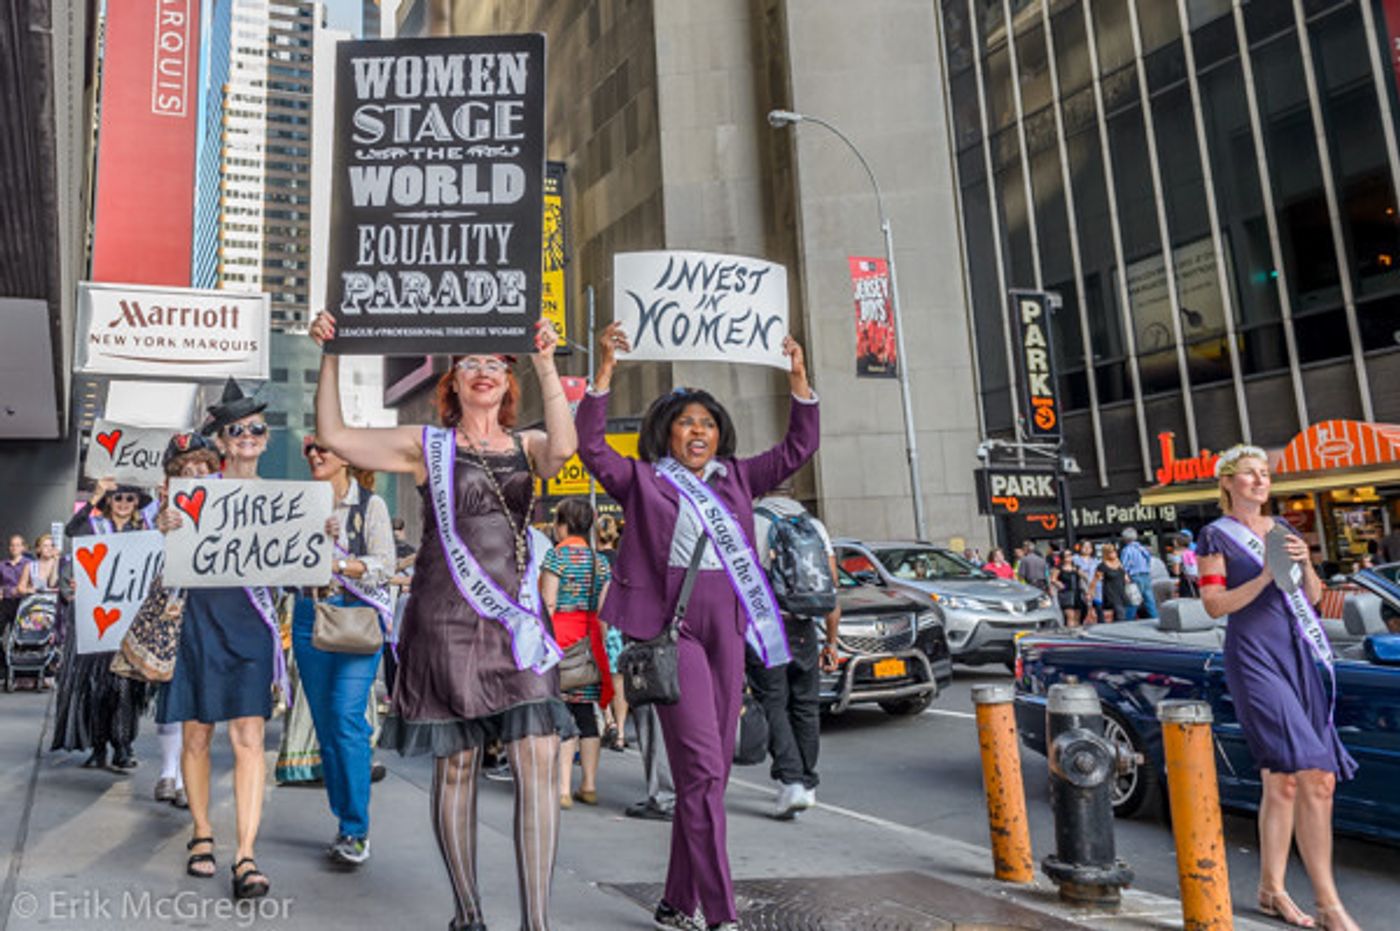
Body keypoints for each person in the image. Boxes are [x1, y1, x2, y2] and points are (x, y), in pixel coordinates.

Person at [310, 311, 577, 931]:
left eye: (494, 364)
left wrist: (543, 359)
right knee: (455, 760)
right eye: (470, 364)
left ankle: (537, 922)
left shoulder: (527, 445)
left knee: (537, 753)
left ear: (508, 385)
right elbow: (336, 433)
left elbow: (564, 450)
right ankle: (470, 912)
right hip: (445, 616)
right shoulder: (426, 445)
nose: (483, 372)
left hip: (514, 622)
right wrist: (330, 352)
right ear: (451, 383)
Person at [577, 320, 819, 931]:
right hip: (672, 629)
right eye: (687, 422)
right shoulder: (644, 480)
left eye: (708, 424)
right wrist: (604, 372)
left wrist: (798, 380)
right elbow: (593, 448)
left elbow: (798, 449)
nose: (699, 431)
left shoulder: (737, 478)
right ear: (667, 432)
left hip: (729, 624)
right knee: (705, 772)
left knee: (699, 780)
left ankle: (674, 902)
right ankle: (720, 914)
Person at [1198, 445, 1359, 931]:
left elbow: (1312, 598)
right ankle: (1330, 905)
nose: (1259, 481)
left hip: (1299, 655)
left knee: (1286, 780)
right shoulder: (1213, 536)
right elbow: (1214, 605)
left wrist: (1305, 563)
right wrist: (1266, 576)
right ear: (1228, 483)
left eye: (1264, 474)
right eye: (1249, 474)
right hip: (1254, 657)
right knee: (1312, 773)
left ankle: (1271, 889)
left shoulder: (1285, 530)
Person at [155, 380, 281, 899]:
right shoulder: (194, 493)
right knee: (197, 735)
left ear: (266, 439)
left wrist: (323, 541)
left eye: (256, 429)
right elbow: (165, 555)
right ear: (222, 441)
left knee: (249, 739)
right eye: (237, 430)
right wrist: (166, 525)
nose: (248, 436)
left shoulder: (285, 501)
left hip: (251, 625)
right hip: (199, 619)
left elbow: (297, 573)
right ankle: (203, 833)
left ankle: (246, 852)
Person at [286, 436, 396, 866]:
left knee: (347, 716)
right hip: (309, 613)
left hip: (354, 617)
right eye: (309, 449)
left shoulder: (371, 506)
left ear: (346, 456)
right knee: (328, 723)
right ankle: (345, 820)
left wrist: (340, 562)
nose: (314, 454)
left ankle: (355, 828)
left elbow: (384, 564)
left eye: (322, 448)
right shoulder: (296, 505)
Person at [52, 478, 153, 771]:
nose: (123, 504)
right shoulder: (94, 529)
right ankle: (98, 748)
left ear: (136, 505)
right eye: (117, 498)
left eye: (129, 499)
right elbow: (72, 530)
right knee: (96, 690)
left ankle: (123, 745)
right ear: (109, 501)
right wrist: (94, 498)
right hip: (95, 624)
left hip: (127, 625)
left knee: (124, 689)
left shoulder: (143, 534)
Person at [750, 493, 840, 820]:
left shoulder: (755, 521)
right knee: (805, 703)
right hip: (805, 625)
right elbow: (831, 586)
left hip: (768, 626)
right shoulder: (813, 525)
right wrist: (831, 641)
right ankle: (807, 780)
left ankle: (791, 780)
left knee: (772, 700)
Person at [149, 433, 223, 811]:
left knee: (200, 697)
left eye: (201, 467)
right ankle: (169, 773)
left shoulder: (229, 505)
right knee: (172, 690)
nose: (195, 473)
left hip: (213, 611)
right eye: (186, 469)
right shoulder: (157, 511)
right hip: (174, 610)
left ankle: (184, 775)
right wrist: (160, 528)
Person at [539, 498, 612, 809]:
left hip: (562, 638)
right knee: (586, 715)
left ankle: (564, 789)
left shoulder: (556, 558)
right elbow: (604, 610)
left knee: (562, 712)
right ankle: (590, 785)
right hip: (590, 640)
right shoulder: (600, 562)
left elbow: (549, 603)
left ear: (564, 525)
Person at [595, 514, 629, 752]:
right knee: (620, 682)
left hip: (599, 623)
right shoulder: (622, 562)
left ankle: (607, 721)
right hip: (621, 625)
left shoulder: (594, 562)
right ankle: (621, 732)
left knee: (598, 678)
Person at [1119, 528, 1157, 620]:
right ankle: (1155, 618)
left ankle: (1128, 620)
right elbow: (1148, 560)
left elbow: (1123, 565)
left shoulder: (1127, 550)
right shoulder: (1142, 548)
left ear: (1125, 538)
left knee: (1134, 599)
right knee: (1149, 599)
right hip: (1145, 575)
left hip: (1134, 576)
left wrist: (1125, 575)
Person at [1091, 544, 1129, 623]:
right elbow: (1095, 580)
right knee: (1120, 613)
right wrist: (1091, 593)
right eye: (1110, 552)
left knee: (1120, 613)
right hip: (1111, 593)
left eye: (1114, 551)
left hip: (1121, 591)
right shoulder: (1102, 566)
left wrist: (1126, 579)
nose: (1113, 554)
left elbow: (1125, 577)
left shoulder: (1119, 564)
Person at [1051, 549, 1083, 626]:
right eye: (1067, 555)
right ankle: (1071, 634)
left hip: (1076, 593)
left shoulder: (1076, 567)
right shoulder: (1059, 568)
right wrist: (1058, 583)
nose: (1069, 557)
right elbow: (1053, 579)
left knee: (1077, 616)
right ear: (1063, 557)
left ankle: (1077, 633)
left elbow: (1084, 577)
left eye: (1070, 555)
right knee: (1070, 616)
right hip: (1066, 593)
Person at [1073, 539, 1101, 624]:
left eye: (1089, 547)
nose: (1087, 549)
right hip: (1082, 587)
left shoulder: (1096, 561)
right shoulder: (1075, 559)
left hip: (1096, 588)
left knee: (1098, 610)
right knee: (1083, 610)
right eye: (1084, 546)